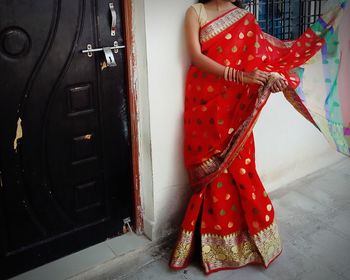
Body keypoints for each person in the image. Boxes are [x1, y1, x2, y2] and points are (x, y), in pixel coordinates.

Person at [168, 0, 348, 275]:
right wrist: (240, 75)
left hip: (236, 109)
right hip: (204, 105)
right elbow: (196, 57)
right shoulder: (197, 12)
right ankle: (207, 244)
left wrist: (272, 79)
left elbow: (265, 61)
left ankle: (245, 242)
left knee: (239, 169)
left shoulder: (245, 18)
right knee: (212, 172)